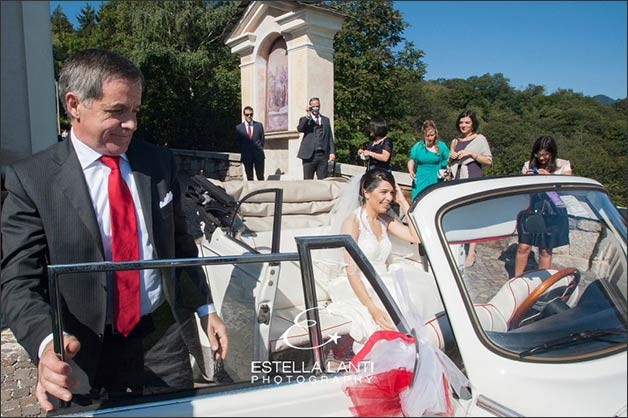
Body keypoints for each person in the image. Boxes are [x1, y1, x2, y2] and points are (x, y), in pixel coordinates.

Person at [0, 49, 228, 412]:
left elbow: (179, 243)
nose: (131, 124)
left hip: (161, 337)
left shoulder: (158, 162)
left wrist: (204, 307)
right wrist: (47, 344)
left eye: (135, 111)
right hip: (79, 350)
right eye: (117, 111)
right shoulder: (31, 179)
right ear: (75, 105)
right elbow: (17, 280)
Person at [326, 168, 419, 351]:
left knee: (410, 294)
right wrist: (372, 309)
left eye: (392, 192)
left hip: (383, 281)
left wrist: (403, 201)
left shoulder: (385, 220)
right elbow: (352, 272)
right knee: (391, 305)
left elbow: (415, 237)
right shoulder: (352, 222)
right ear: (366, 192)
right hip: (357, 284)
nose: (389, 198)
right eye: (383, 192)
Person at [515, 136, 572, 276]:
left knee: (545, 250)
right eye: (538, 154)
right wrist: (525, 179)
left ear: (552, 153)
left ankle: (542, 284)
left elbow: (567, 189)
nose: (542, 158)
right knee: (523, 246)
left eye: (546, 154)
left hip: (552, 212)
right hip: (531, 210)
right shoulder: (528, 165)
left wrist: (549, 177)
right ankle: (515, 279)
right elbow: (520, 191)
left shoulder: (563, 165)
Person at [448, 110, 492, 268]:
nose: (463, 125)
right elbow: (450, 162)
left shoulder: (480, 139)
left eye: (467, 122)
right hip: (456, 179)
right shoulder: (455, 141)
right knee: (456, 213)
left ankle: (472, 250)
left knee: (473, 215)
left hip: (472, 178)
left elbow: (488, 160)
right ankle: (457, 245)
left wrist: (471, 154)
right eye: (461, 122)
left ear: (473, 123)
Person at [407, 120, 450, 200]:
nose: (430, 138)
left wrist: (447, 171)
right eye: (427, 136)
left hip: (436, 180)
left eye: (432, 135)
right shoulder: (418, 146)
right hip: (420, 180)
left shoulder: (442, 146)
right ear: (423, 135)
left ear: (435, 134)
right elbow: (411, 159)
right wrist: (411, 170)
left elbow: (449, 160)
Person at [296, 97, 336, 179]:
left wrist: (332, 152)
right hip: (309, 156)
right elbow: (300, 129)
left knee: (322, 181)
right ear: (310, 107)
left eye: (317, 106)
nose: (316, 108)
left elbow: (330, 137)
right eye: (313, 106)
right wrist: (308, 115)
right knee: (308, 180)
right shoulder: (305, 119)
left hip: (322, 155)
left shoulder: (325, 120)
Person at [235, 106, 265, 181]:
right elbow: (238, 142)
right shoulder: (239, 128)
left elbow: (262, 139)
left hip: (258, 155)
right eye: (247, 114)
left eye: (251, 114)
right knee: (249, 178)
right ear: (244, 115)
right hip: (246, 156)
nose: (249, 116)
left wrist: (259, 149)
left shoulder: (259, 126)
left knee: (260, 177)